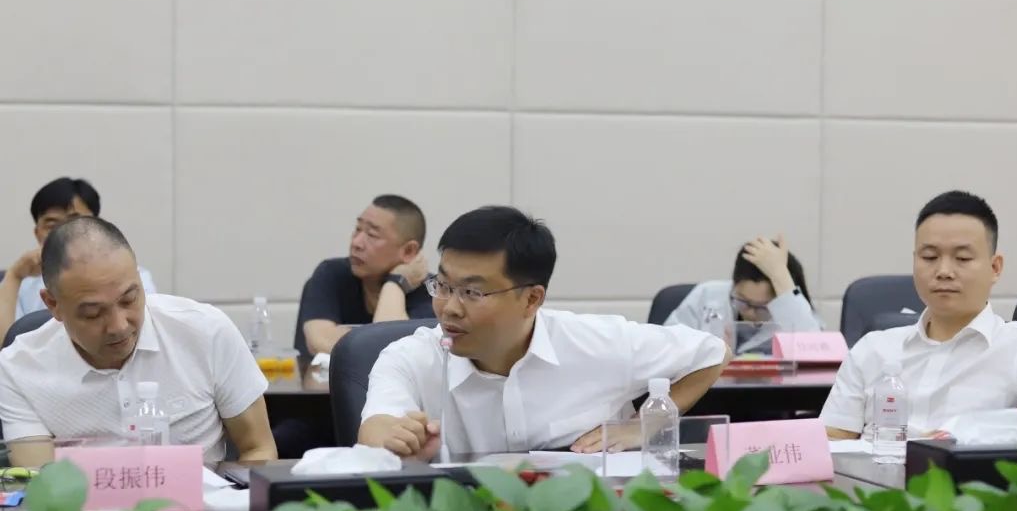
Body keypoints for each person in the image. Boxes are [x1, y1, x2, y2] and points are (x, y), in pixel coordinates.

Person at [357, 206, 732, 459]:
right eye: (443, 286)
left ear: (531, 298)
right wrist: (393, 439)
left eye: (472, 292)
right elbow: (375, 428)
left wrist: (644, 428)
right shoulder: (410, 358)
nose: (449, 307)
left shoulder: (599, 343)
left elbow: (713, 353)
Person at [0, 217, 277, 467]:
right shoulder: (19, 369)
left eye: (129, 299)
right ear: (53, 304)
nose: (119, 326)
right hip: (83, 510)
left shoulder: (206, 331)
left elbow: (258, 448)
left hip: (205, 506)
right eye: (93, 313)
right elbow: (41, 484)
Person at [822, 191, 1017, 440]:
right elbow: (831, 440)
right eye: (930, 257)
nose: (944, 271)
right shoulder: (872, 348)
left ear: (995, 267)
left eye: (962, 258)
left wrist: (977, 429)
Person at [0, 177, 157, 342]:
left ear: (96, 224)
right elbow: (6, 345)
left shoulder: (133, 277)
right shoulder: (20, 286)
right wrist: (14, 276)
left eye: (74, 222)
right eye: (51, 225)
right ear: (37, 233)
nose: (64, 234)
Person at [298, 194, 434, 358]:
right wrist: (367, 343)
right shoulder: (332, 273)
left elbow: (390, 351)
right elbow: (319, 342)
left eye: (372, 235)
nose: (356, 243)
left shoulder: (433, 293)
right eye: (358, 229)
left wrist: (396, 284)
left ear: (408, 251)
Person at [665, 235, 822, 354]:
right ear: (733, 285)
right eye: (743, 302)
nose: (751, 313)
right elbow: (667, 348)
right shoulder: (707, 296)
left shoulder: (793, 311)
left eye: (762, 307)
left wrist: (781, 276)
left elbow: (814, 353)